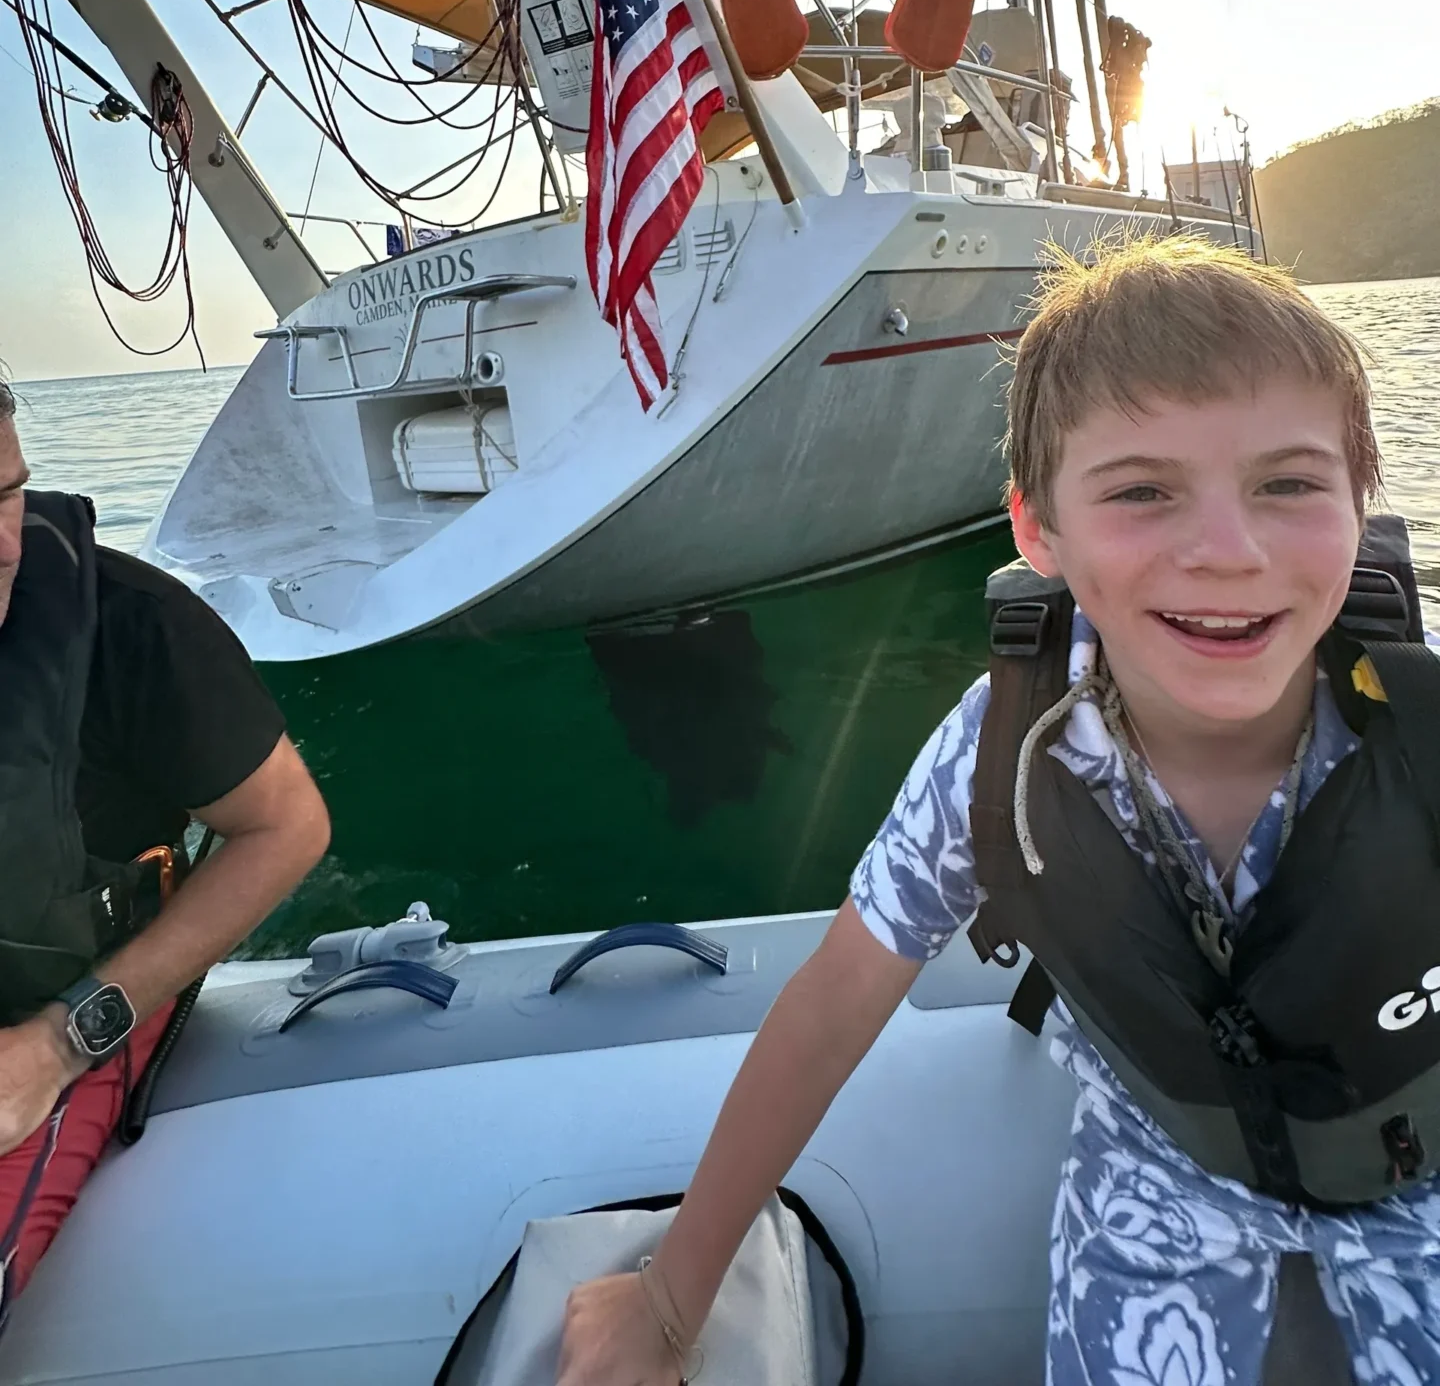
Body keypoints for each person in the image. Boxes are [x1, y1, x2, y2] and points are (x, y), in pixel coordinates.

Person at [556, 233, 1440, 1385]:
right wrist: (672, 1300)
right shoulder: (1006, 749)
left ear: (1360, 501)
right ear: (1038, 531)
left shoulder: (1422, 729)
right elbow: (834, 1004)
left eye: (1288, 483)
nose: (1229, 550)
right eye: (1141, 491)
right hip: (1163, 1175)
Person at [0, 374, 330, 1318]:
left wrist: (63, 1044)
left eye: (9, 494)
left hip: (55, 1013)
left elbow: (288, 824)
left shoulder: (132, 627)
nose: (2, 549)